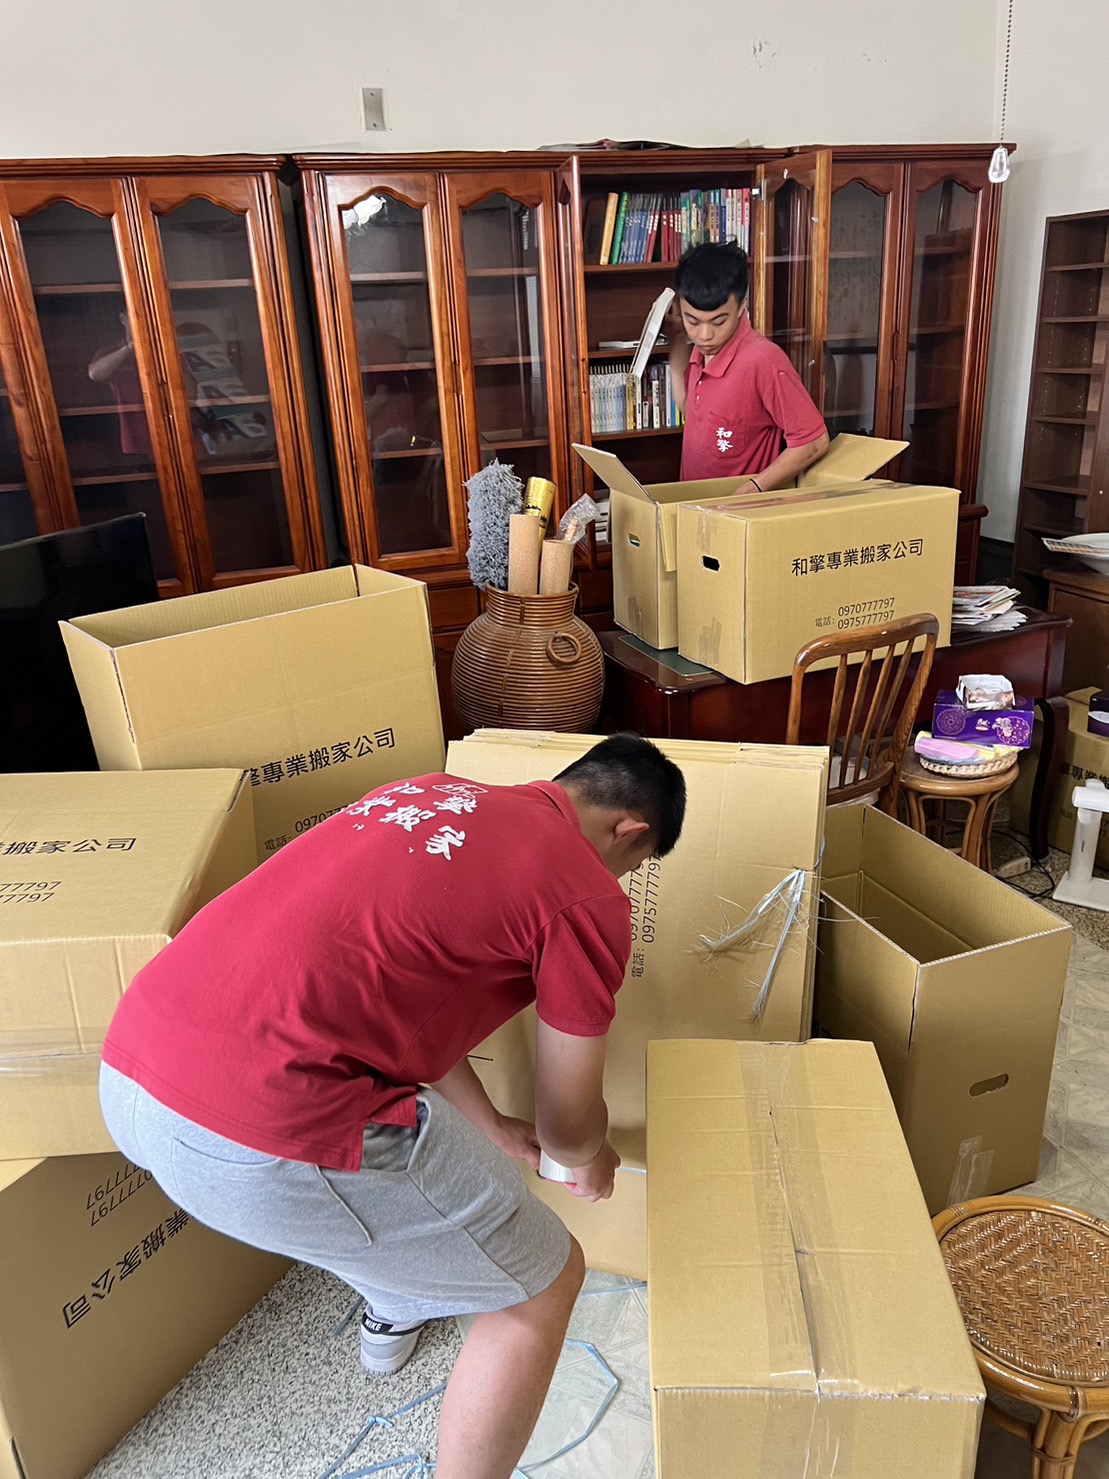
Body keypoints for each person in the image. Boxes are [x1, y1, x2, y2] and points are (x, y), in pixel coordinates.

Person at [98, 733, 686, 1479]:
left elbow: (402, 1010)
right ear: (629, 830)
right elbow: (567, 1127)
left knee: (411, 1194)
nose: (621, 881)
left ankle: (395, 1306)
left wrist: (493, 1128)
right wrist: (587, 1157)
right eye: (633, 865)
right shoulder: (584, 891)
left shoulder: (422, 794)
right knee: (544, 1283)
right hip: (266, 1130)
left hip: (132, 1074)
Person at [668, 241, 829, 491]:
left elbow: (814, 441)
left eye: (718, 322)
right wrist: (678, 337)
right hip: (694, 506)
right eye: (693, 321)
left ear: (742, 306)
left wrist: (754, 488)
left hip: (738, 509)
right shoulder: (700, 351)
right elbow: (690, 409)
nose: (705, 335)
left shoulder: (763, 361)